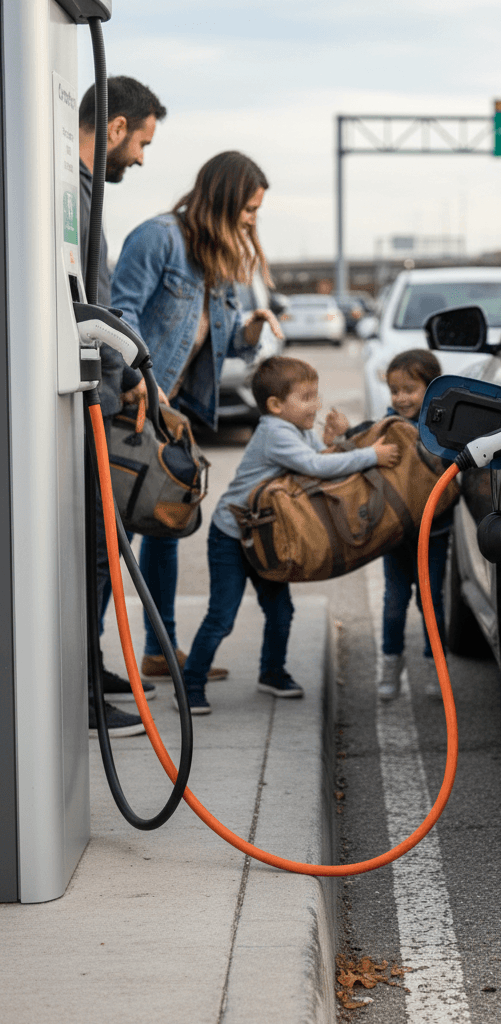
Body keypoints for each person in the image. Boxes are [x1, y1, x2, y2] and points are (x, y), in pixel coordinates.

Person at [110, 151, 283, 686]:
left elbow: (224, 341)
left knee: (163, 529)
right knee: (114, 536)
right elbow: (122, 312)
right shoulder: (158, 238)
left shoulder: (220, 262)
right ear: (226, 199)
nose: (253, 220)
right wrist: (143, 382)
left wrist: (252, 328)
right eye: (249, 208)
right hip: (131, 406)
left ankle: (160, 650)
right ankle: (87, 663)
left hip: (173, 411)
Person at [179, 356, 400, 714]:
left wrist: (338, 439)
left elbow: (320, 463)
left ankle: (272, 672)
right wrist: (369, 456)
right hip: (232, 537)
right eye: (306, 397)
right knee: (222, 615)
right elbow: (316, 466)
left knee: (280, 611)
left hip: (265, 536)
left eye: (316, 395)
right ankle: (190, 683)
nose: (315, 403)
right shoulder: (274, 431)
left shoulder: (296, 429)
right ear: (275, 405)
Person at [79, 76, 166, 734]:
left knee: (101, 547)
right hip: (78, 406)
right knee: (90, 551)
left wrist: (128, 379)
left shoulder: (79, 197)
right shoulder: (65, 196)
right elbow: (89, 308)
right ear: (114, 129)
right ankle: (78, 690)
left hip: (98, 401)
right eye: (140, 142)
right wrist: (128, 362)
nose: (139, 158)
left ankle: (88, 666)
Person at [377, 349, 451, 701]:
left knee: (430, 600)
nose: (401, 397)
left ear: (431, 387)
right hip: (395, 533)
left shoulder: (441, 426)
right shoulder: (388, 426)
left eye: (410, 389)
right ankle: (391, 661)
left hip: (434, 532)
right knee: (394, 602)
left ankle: (435, 665)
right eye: (395, 390)